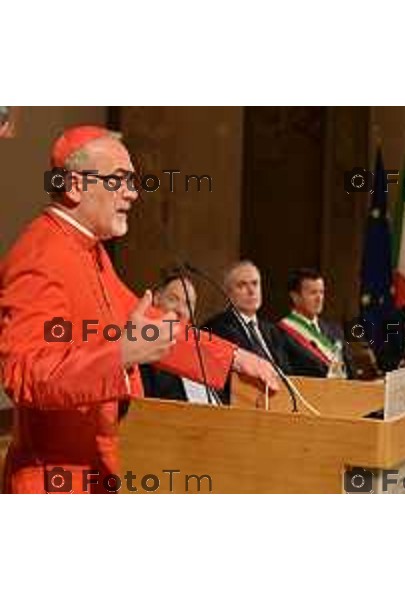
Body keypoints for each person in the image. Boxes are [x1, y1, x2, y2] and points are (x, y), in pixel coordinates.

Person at [0, 125, 279, 494]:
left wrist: (235, 359)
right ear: (75, 186)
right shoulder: (39, 255)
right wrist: (120, 354)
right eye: (120, 180)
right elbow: (24, 374)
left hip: (98, 468)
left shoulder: (89, 250)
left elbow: (151, 326)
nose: (132, 193)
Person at [202, 261, 290, 401]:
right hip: (241, 403)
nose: (251, 291)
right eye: (242, 285)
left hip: (279, 402)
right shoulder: (215, 328)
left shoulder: (274, 331)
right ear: (228, 293)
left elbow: (289, 375)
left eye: (255, 284)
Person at [140, 269, 213, 403]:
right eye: (173, 299)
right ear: (156, 299)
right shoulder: (142, 346)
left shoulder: (200, 355)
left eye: (188, 304)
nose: (180, 310)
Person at [278, 268, 353, 378]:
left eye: (321, 292)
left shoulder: (335, 330)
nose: (319, 298)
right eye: (313, 293)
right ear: (295, 297)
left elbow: (351, 371)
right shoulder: (281, 333)